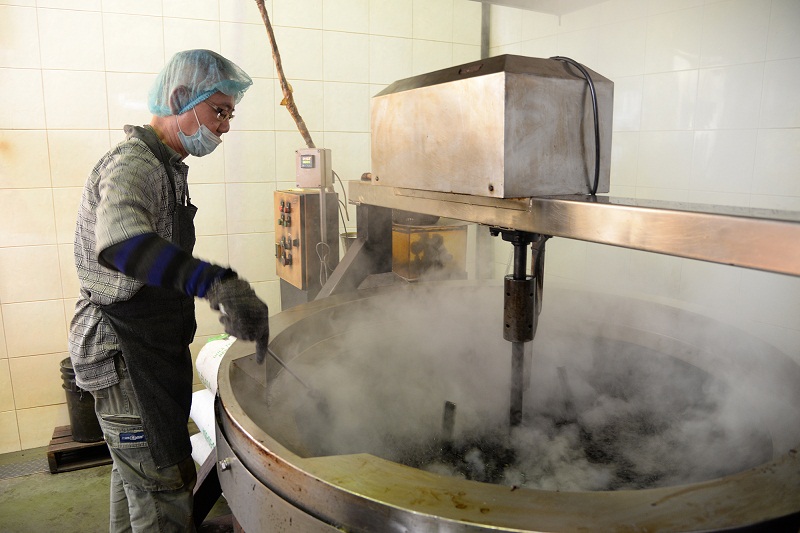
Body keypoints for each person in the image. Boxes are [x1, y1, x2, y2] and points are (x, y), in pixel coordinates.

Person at [68, 49, 270, 533]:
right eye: (218, 110)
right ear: (181, 99)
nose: (224, 126)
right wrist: (215, 283)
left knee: (138, 481)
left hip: (147, 351)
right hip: (123, 356)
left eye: (229, 114)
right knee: (162, 490)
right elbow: (121, 244)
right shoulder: (135, 164)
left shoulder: (169, 167)